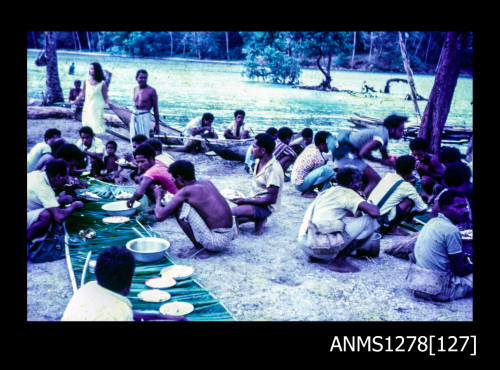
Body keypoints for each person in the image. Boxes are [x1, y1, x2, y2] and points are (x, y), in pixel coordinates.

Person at [61, 246, 187, 321]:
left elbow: (120, 312)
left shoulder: (87, 289)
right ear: (129, 283)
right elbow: (120, 313)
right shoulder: (121, 313)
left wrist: (162, 317)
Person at [297, 167, 380, 273]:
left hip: (305, 242)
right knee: (370, 221)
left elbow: (349, 216)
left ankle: (315, 256)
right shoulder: (348, 193)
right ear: (351, 184)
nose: (361, 184)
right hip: (317, 245)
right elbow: (375, 213)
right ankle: (339, 261)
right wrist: (367, 202)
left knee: (340, 220)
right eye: (359, 181)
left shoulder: (328, 191)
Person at [153, 160, 234, 259]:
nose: (173, 182)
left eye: (173, 179)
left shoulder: (186, 191)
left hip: (217, 241)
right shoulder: (205, 182)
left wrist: (158, 197)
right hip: (230, 234)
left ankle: (199, 249)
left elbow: (159, 216)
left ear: (180, 178)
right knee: (186, 205)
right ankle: (201, 245)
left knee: (179, 208)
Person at [411, 190, 473, 301]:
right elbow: (460, 270)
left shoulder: (432, 222)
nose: (464, 211)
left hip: (417, 282)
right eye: (459, 207)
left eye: (465, 207)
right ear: (444, 208)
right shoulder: (451, 230)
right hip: (438, 291)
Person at [329, 114, 408, 196]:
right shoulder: (383, 136)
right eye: (401, 130)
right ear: (392, 129)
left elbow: (384, 155)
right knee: (375, 180)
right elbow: (363, 153)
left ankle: (359, 197)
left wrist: (390, 162)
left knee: (365, 180)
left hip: (343, 153)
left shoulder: (382, 132)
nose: (402, 133)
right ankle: (361, 202)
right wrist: (381, 161)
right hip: (347, 155)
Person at [231, 133, 284, 235]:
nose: (251, 149)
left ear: (263, 150)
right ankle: (259, 219)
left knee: (228, 214)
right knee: (234, 219)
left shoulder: (273, 169)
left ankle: (261, 217)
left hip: (265, 206)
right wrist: (246, 200)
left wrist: (246, 201)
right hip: (255, 200)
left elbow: (271, 199)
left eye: (254, 147)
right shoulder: (258, 161)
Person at [27, 159, 84, 247]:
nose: (67, 179)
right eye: (66, 176)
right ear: (58, 176)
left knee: (52, 208)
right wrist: (74, 205)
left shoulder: (38, 175)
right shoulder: (43, 188)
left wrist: (61, 199)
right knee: (46, 215)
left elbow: (45, 199)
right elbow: (59, 217)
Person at [368, 155, 428, 235]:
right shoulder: (407, 187)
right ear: (411, 170)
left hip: (369, 217)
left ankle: (404, 219)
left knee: (400, 196)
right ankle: (392, 229)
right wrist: (412, 214)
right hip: (380, 223)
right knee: (409, 201)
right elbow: (423, 209)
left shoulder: (388, 176)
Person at [126, 143, 178, 208]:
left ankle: (160, 207)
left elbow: (139, 193)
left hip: (174, 200)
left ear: (151, 159)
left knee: (146, 186)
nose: (139, 165)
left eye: (142, 162)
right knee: (144, 181)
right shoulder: (158, 162)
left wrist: (131, 201)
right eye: (138, 162)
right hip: (176, 196)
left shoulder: (151, 172)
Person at [70, 62, 111, 135]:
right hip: (87, 106)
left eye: (92, 69)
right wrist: (74, 101)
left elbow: (106, 97)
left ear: (97, 70)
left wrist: (111, 105)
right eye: (90, 68)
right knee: (87, 125)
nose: (90, 70)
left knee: (94, 126)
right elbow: (82, 93)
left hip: (97, 107)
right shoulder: (86, 81)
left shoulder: (102, 83)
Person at [291, 131, 334, 198]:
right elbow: (320, 177)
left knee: (326, 171)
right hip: (300, 185)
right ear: (322, 144)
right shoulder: (318, 157)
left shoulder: (311, 147)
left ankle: (321, 190)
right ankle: (308, 191)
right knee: (329, 170)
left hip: (296, 181)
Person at [130, 69, 160, 142]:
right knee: (133, 137)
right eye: (141, 77)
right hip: (134, 115)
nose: (143, 80)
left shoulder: (151, 91)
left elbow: (155, 108)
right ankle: (134, 153)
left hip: (144, 116)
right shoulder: (135, 89)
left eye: (145, 78)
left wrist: (157, 124)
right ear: (136, 78)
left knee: (144, 138)